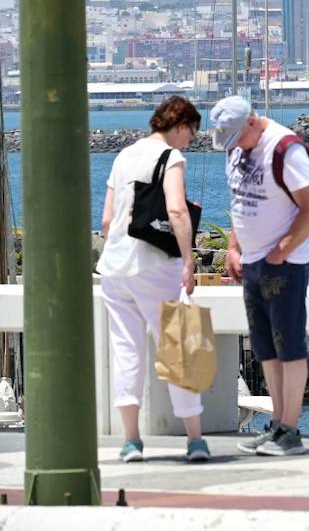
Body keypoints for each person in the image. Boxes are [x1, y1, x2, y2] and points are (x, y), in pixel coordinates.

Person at [97, 95, 210, 463]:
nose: (190, 140)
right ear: (179, 127)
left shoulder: (124, 155)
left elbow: (106, 220)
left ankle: (132, 441)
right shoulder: (171, 157)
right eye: (191, 133)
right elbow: (176, 210)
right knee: (178, 347)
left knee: (126, 351)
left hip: (115, 268)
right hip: (155, 266)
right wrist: (189, 262)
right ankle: (194, 440)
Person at [209, 95, 309, 457]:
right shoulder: (236, 149)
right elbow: (238, 201)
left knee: (288, 345)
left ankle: (291, 429)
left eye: (237, 138)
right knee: (265, 349)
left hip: (284, 265)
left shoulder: (286, 150)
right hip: (253, 261)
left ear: (253, 122)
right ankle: (276, 426)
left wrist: (282, 250)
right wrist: (234, 246)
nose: (234, 148)